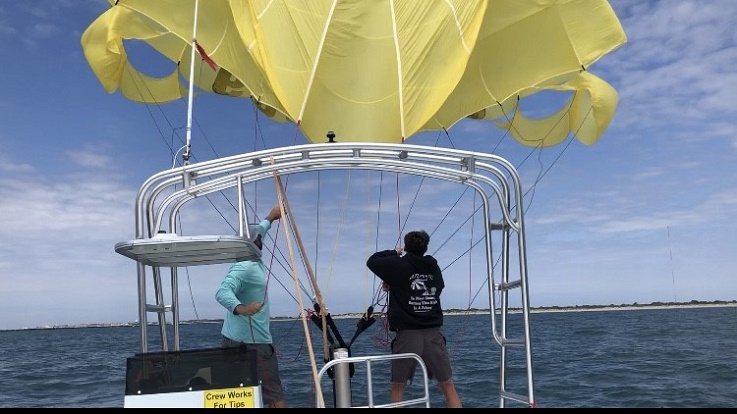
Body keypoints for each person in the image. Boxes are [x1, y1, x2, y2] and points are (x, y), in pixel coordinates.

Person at [366, 230, 462, 408]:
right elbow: (438, 287)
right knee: (448, 387)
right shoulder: (433, 267)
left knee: (397, 389)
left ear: (407, 246)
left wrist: (394, 253)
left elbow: (372, 261)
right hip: (434, 335)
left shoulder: (398, 265)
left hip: (407, 336)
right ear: (425, 247)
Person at [216, 205, 287, 408]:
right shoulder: (245, 267)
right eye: (258, 239)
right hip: (249, 345)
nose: (261, 239)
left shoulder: (250, 255)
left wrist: (271, 217)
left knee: (240, 395)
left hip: (238, 341)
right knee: (274, 396)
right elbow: (222, 292)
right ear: (254, 244)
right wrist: (242, 309)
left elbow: (259, 233)